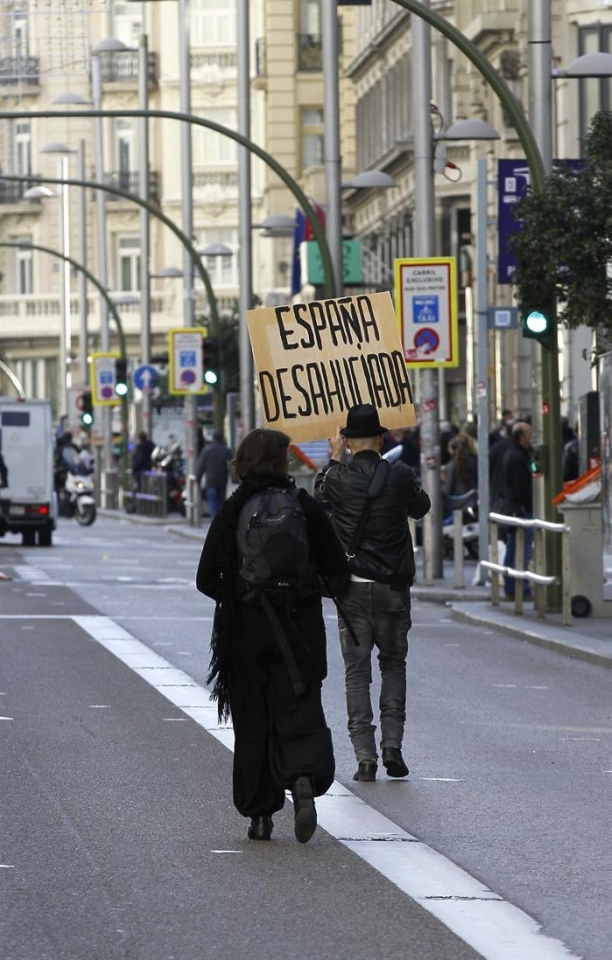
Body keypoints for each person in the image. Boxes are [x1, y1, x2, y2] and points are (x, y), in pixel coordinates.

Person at [196, 427, 348, 844]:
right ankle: (302, 780)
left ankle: (260, 814)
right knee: (298, 709)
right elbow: (336, 566)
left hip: (245, 632)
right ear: (283, 462)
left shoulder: (234, 509)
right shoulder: (302, 506)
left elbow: (205, 578)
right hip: (298, 630)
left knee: (253, 721)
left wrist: (240, 594)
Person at [314, 404, 431, 783]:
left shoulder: (338, 477)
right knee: (394, 665)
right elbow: (422, 506)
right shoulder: (400, 475)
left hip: (352, 588)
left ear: (346, 442)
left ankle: (364, 756)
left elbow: (318, 504)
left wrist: (332, 461)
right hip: (394, 587)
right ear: (381, 439)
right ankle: (392, 746)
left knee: (356, 673)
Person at [499, 421, 534, 600]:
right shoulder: (519, 457)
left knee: (513, 549)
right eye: (529, 433)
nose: (532, 437)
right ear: (521, 437)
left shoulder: (514, 453)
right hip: (520, 510)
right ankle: (520, 589)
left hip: (513, 508)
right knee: (522, 551)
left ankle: (511, 588)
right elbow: (522, 489)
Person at [195, 429, 232, 519]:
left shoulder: (206, 450)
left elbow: (200, 466)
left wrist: (197, 479)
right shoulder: (226, 450)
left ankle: (215, 523)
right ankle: (219, 523)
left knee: (213, 503)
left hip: (210, 482)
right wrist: (235, 478)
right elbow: (232, 465)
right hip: (222, 481)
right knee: (220, 503)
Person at [444, 432, 478, 498]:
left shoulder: (452, 464)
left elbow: (448, 489)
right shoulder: (474, 461)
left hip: (457, 501)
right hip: (473, 498)